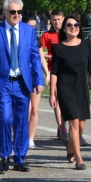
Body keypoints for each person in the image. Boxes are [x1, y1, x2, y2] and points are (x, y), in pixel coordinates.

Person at [0, 0, 44, 173]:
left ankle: (20, 158)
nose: (16, 15)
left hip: (22, 82)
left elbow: (35, 57)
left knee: (21, 121)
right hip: (3, 83)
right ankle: (5, 156)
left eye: (19, 12)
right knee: (5, 118)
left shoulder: (28, 30)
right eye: (13, 11)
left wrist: (39, 79)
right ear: (5, 12)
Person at [49, 16, 91, 170]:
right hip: (65, 89)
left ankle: (71, 147)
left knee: (81, 125)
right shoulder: (58, 48)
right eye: (69, 25)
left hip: (82, 88)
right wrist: (52, 93)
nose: (73, 27)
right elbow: (54, 72)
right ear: (64, 29)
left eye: (76, 24)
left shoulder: (86, 44)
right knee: (74, 122)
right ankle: (79, 159)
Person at [22, 12, 49, 150]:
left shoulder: (36, 39)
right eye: (30, 26)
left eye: (34, 26)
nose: (32, 29)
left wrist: (47, 73)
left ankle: (31, 139)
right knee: (24, 110)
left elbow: (40, 57)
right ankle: (22, 137)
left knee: (34, 109)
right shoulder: (17, 38)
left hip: (34, 75)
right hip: (22, 76)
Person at [40, 9, 68, 142]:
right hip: (53, 71)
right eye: (54, 20)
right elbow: (39, 51)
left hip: (67, 71)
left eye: (59, 19)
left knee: (67, 101)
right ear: (51, 20)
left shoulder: (69, 32)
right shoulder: (46, 35)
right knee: (56, 100)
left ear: (63, 19)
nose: (56, 22)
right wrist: (51, 57)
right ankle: (62, 128)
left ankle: (66, 126)